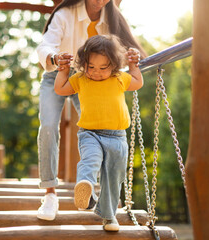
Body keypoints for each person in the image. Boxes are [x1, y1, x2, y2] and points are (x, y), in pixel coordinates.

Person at [36, 0, 146, 221]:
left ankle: (101, 195)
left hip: (92, 78)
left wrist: (134, 58)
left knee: (98, 128)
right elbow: (44, 45)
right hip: (59, 74)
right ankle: (50, 194)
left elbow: (124, 54)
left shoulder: (113, 18)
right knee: (48, 126)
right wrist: (57, 60)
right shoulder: (66, 14)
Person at [54, 34, 143, 231]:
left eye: (103, 68)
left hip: (117, 136)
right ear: (83, 64)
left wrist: (133, 64)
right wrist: (64, 71)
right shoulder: (80, 79)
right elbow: (60, 89)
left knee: (114, 177)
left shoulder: (119, 77)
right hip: (90, 133)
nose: (96, 72)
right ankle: (85, 185)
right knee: (90, 160)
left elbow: (137, 82)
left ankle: (109, 216)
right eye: (91, 67)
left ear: (114, 65)